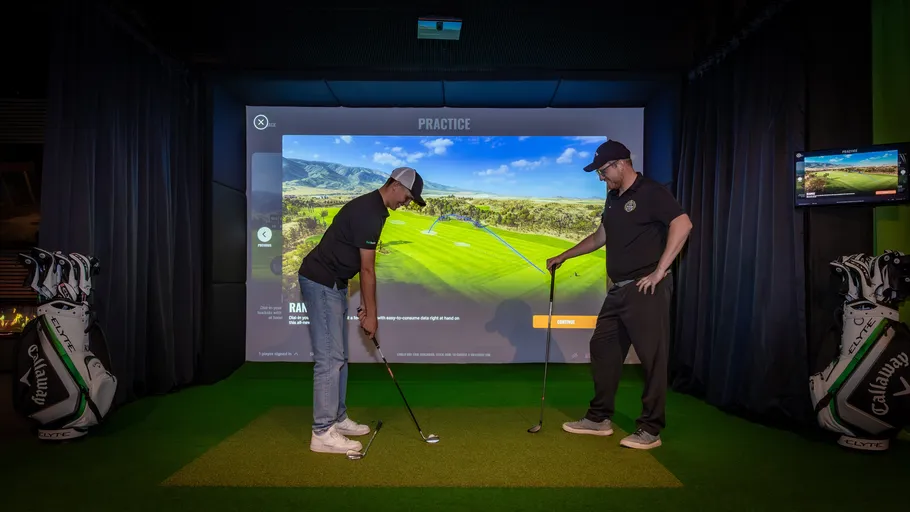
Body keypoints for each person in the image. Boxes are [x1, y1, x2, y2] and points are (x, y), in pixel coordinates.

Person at [547, 140, 692, 450]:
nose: (601, 178)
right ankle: (599, 419)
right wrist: (565, 255)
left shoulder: (651, 191)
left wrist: (659, 271)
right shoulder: (612, 197)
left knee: (653, 359)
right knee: (603, 349)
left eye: (603, 171)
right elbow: (602, 235)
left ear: (621, 164)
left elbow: (683, 224)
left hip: (645, 288)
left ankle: (650, 429)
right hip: (617, 290)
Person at [297, 166, 426, 454]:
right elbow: (367, 270)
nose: (406, 203)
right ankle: (322, 432)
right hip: (320, 280)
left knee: (339, 356)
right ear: (394, 185)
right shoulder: (369, 212)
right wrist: (372, 315)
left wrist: (366, 308)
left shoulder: (376, 209)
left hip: (334, 282)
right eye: (407, 197)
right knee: (329, 359)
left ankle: (337, 419)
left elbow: (359, 266)